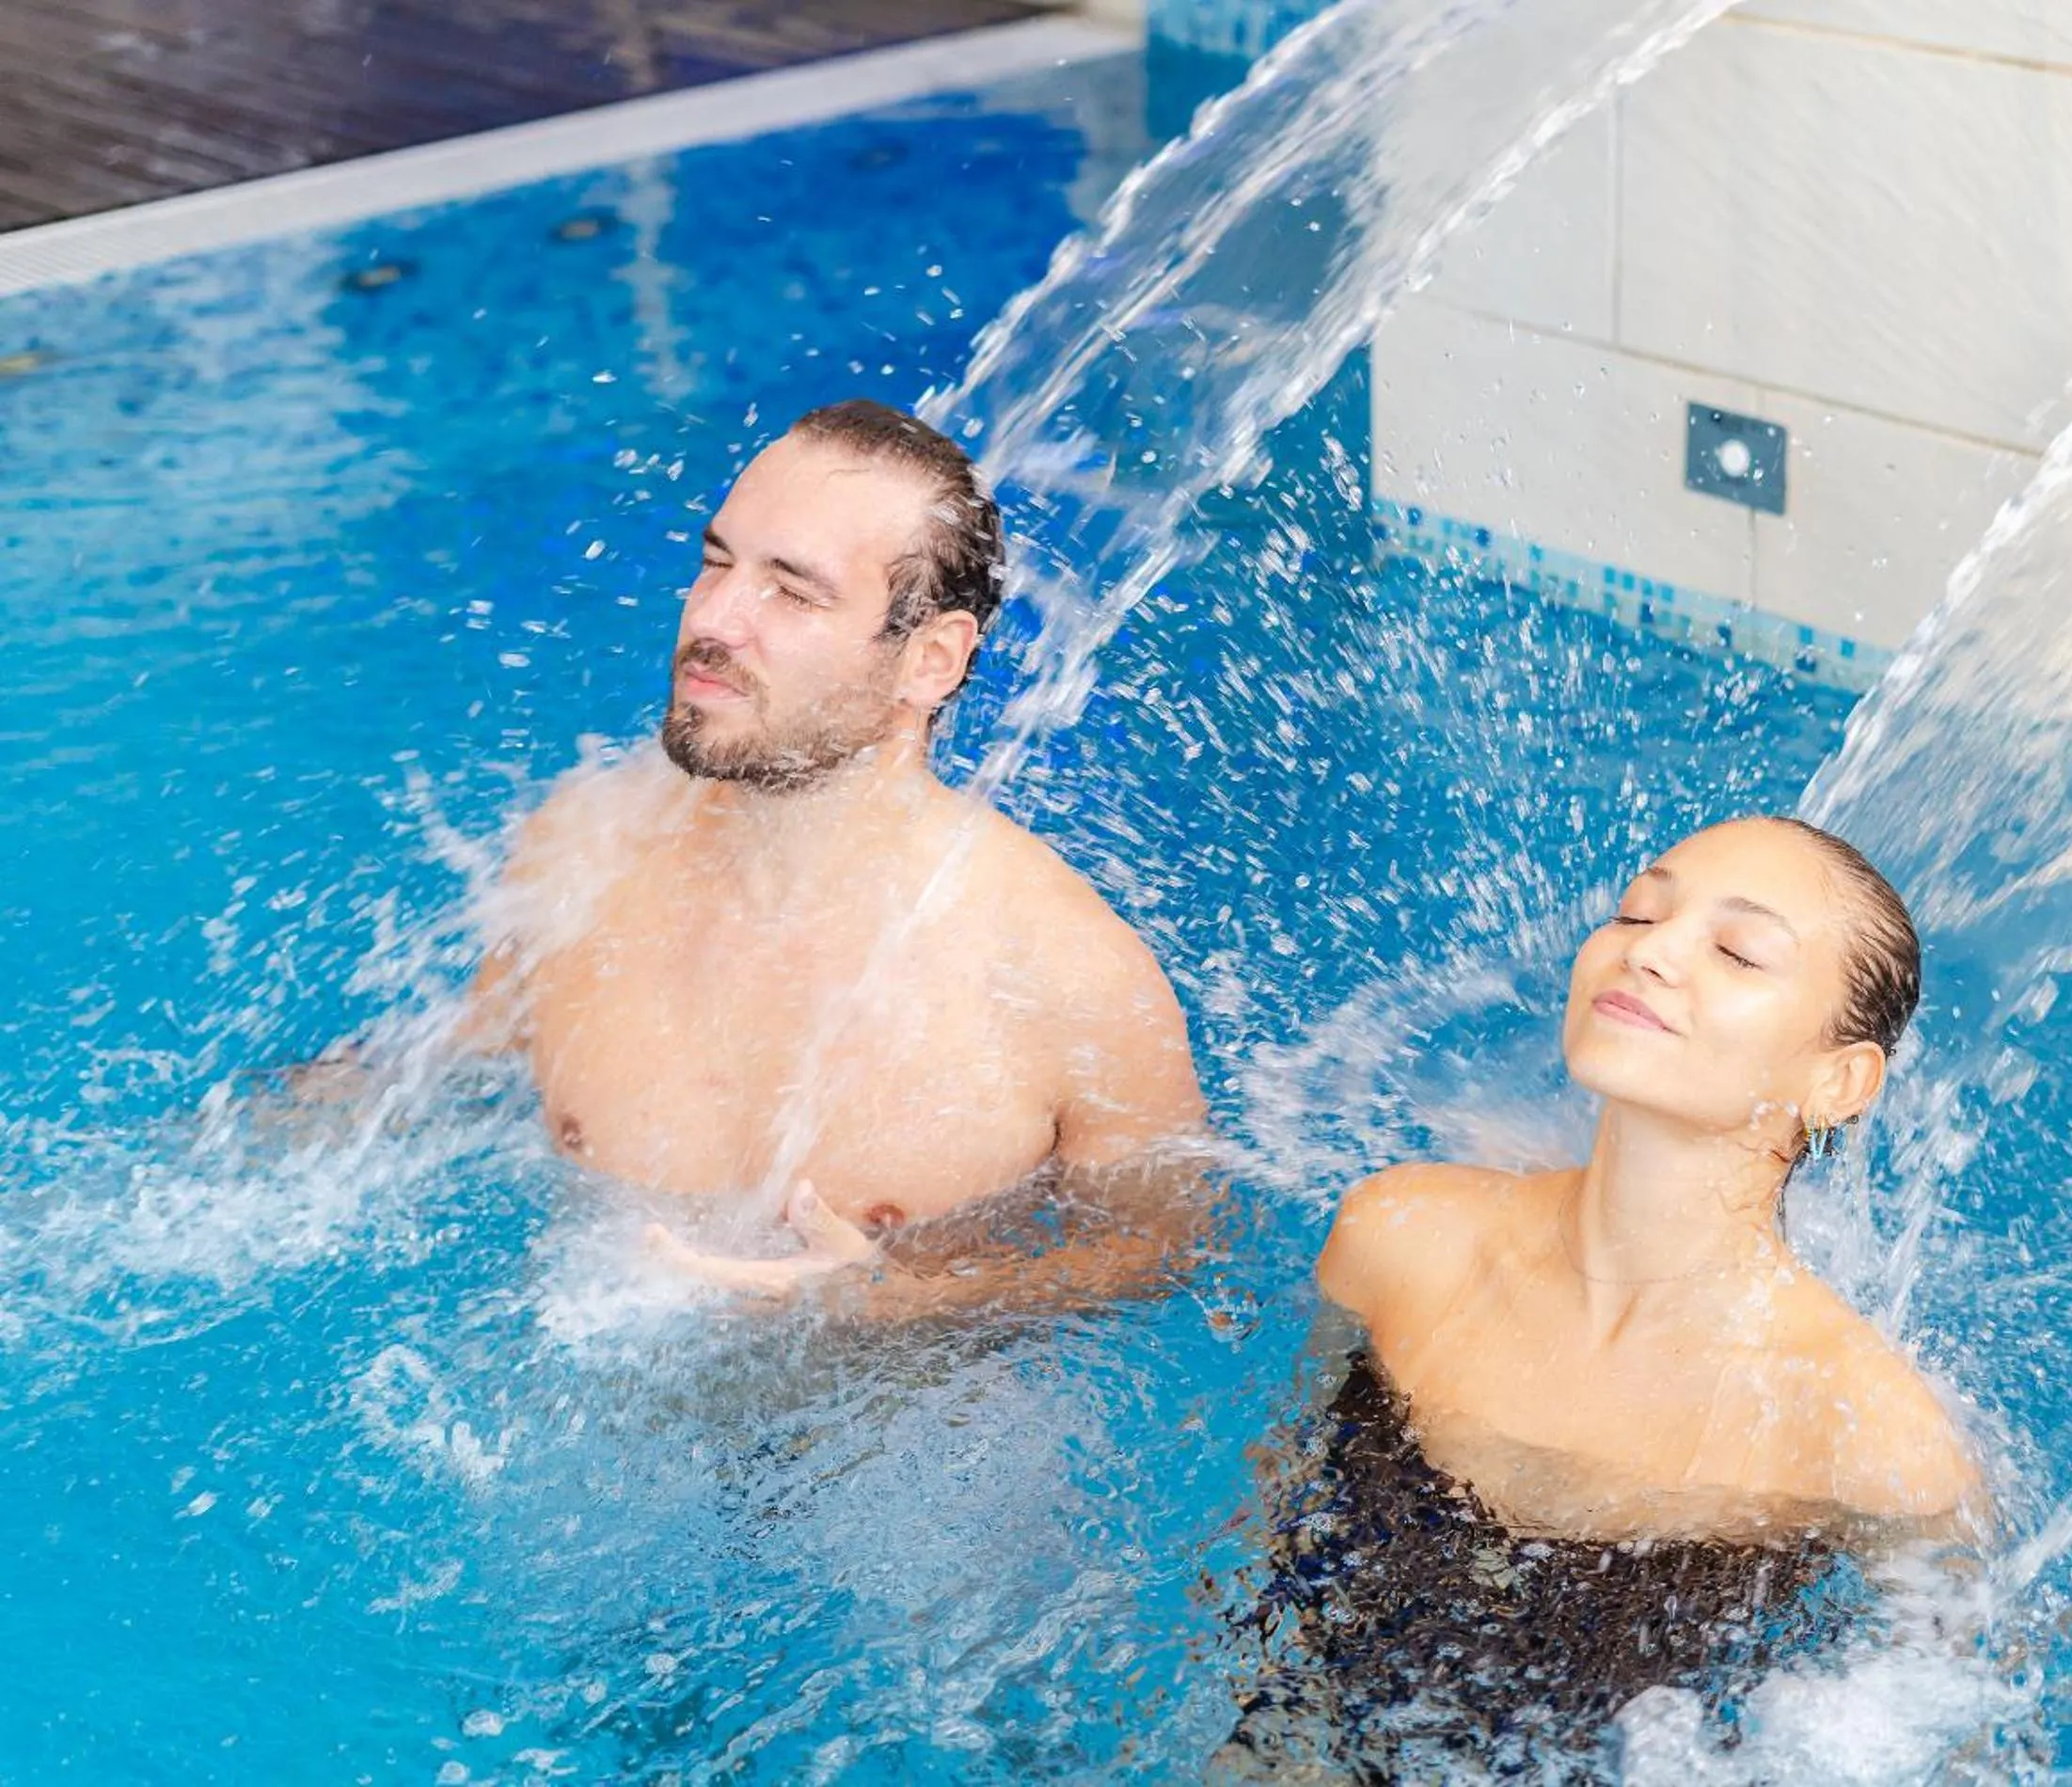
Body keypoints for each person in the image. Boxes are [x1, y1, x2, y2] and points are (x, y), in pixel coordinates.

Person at [1224, 815, 1984, 1772]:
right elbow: (1271, 1519)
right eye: (1636, 913)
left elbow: (1958, 1713)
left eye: (1739, 952)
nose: (1650, 952)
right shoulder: (1402, 1238)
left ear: (1840, 1081)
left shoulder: (1862, 1431)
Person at [461, 399, 1211, 1314]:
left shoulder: (1072, 980)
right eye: (716, 562)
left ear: (930, 660)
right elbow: (461, 1080)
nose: (715, 619)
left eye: (793, 591)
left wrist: (905, 1303)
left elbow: (1164, 1250)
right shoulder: (584, 847)